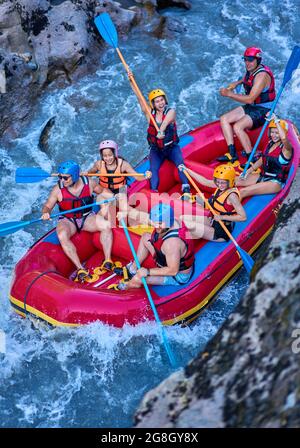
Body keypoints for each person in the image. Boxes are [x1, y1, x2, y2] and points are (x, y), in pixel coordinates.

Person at [41, 160, 113, 281]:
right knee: (62, 235)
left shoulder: (89, 183)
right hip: (68, 220)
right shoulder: (57, 189)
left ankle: (107, 260)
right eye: (60, 177)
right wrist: (45, 213)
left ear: (74, 175)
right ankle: (80, 268)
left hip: (87, 217)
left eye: (65, 178)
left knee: (106, 226)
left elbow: (104, 192)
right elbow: (48, 205)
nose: (62, 180)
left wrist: (113, 197)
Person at [127, 71, 192, 200]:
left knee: (180, 165)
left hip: (171, 147)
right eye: (157, 101)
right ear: (153, 104)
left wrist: (161, 130)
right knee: (153, 170)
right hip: (157, 150)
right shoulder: (149, 114)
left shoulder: (170, 111)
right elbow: (139, 97)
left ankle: (186, 189)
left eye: (162, 100)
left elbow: (168, 119)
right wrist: (131, 80)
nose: (160, 103)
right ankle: (154, 193)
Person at [111, 203, 195, 290]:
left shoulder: (172, 243)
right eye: (154, 222)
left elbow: (173, 271)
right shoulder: (167, 222)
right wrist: (125, 214)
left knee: (138, 278)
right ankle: (132, 269)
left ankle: (125, 288)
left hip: (177, 276)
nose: (155, 226)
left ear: (168, 221)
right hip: (165, 258)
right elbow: (143, 217)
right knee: (145, 237)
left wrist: (147, 271)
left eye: (159, 223)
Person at [218, 47, 276, 163]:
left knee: (238, 127)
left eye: (250, 60)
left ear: (257, 61)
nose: (247, 63)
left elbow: (249, 99)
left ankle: (252, 157)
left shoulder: (262, 76)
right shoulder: (252, 70)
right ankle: (232, 154)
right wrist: (237, 83)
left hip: (263, 110)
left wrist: (229, 94)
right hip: (253, 106)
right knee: (224, 119)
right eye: (245, 60)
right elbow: (247, 80)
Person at [88, 140, 151, 234]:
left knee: (125, 208)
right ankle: (112, 229)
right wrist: (89, 172)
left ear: (115, 153)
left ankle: (149, 220)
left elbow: (137, 176)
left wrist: (145, 176)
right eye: (105, 156)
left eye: (110, 155)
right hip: (105, 191)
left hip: (120, 190)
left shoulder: (123, 165)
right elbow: (91, 172)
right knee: (104, 206)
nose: (107, 158)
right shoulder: (99, 164)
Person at [179, 164, 247, 241]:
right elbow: (204, 181)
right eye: (218, 182)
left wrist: (222, 217)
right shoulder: (221, 185)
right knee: (182, 218)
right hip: (214, 221)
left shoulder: (232, 196)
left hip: (222, 231)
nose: (220, 185)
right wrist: (187, 170)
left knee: (188, 225)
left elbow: (243, 217)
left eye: (223, 182)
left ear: (230, 181)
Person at [236, 115, 293, 198]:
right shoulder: (270, 144)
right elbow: (263, 159)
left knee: (243, 191)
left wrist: (276, 120)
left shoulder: (287, 149)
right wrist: (248, 171)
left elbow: (284, 138)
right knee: (234, 181)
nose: (274, 135)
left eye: (277, 133)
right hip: (264, 176)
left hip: (276, 182)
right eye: (272, 132)